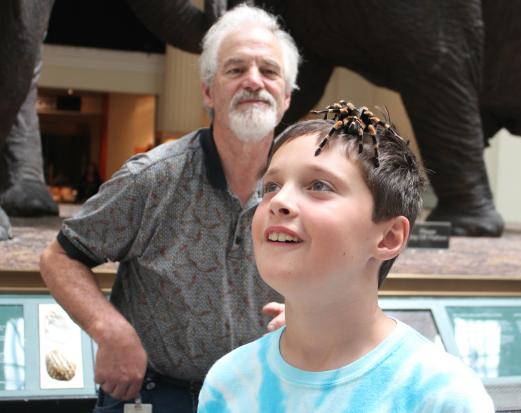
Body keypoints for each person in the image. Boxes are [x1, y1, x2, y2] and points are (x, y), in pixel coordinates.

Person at [39, 4, 299, 412]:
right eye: (235, 70)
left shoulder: (307, 191)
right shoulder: (153, 178)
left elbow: (338, 275)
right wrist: (110, 330)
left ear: (285, 98)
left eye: (269, 71)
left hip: (261, 396)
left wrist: (311, 316)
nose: (254, 81)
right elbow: (59, 258)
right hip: (156, 395)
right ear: (208, 91)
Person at [197, 103, 495, 412]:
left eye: (319, 186)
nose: (279, 201)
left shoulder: (440, 396)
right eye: (271, 186)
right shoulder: (228, 382)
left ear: (389, 236)